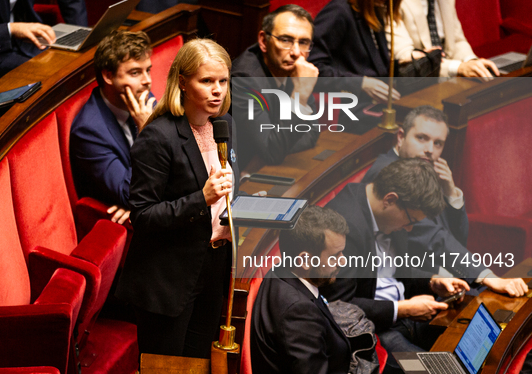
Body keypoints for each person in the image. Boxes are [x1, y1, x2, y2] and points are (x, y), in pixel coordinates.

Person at [115, 38, 239, 359]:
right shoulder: (159, 136)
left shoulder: (223, 127)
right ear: (182, 82)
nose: (218, 91)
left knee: (199, 363)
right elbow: (142, 216)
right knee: (168, 366)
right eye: (207, 81)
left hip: (214, 265)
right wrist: (203, 198)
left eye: (223, 81)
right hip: (170, 278)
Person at [321, 158, 470, 373]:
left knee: (472, 338)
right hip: (371, 330)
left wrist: (432, 281)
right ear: (390, 199)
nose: (409, 229)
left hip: (404, 314)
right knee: (435, 371)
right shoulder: (344, 227)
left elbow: (395, 270)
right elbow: (340, 307)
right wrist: (401, 309)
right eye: (410, 221)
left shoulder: (389, 217)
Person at [362, 105, 528, 296]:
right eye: (421, 138)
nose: (429, 150)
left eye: (438, 143)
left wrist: (450, 192)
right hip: (416, 285)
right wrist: (487, 276)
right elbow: (434, 238)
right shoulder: (388, 174)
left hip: (444, 274)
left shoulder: (423, 170)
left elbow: (457, 239)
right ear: (401, 137)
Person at [251, 205, 351, 374]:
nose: (343, 262)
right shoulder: (299, 312)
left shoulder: (282, 272)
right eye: (335, 256)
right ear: (305, 260)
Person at [70, 31, 155, 224]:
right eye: (135, 72)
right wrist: (146, 132)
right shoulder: (89, 131)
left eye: (148, 70)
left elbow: (176, 159)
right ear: (108, 76)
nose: (147, 81)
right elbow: (129, 195)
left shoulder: (143, 100)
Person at [231, 4, 320, 170]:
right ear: (264, 41)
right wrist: (299, 96)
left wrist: (275, 146)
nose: (296, 52)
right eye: (286, 40)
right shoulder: (244, 80)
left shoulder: (295, 67)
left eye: (303, 42)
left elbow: (312, 132)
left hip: (262, 167)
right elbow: (272, 152)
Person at [309, 0, 402, 104]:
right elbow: (312, 67)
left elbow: (373, 66)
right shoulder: (338, 12)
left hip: (373, 102)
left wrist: (402, 65)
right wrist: (360, 83)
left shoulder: (373, 9)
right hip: (347, 104)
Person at [391, 0, 499, 78]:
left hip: (451, 78)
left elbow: (457, 41)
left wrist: (472, 62)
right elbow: (405, 57)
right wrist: (458, 68)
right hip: (420, 85)